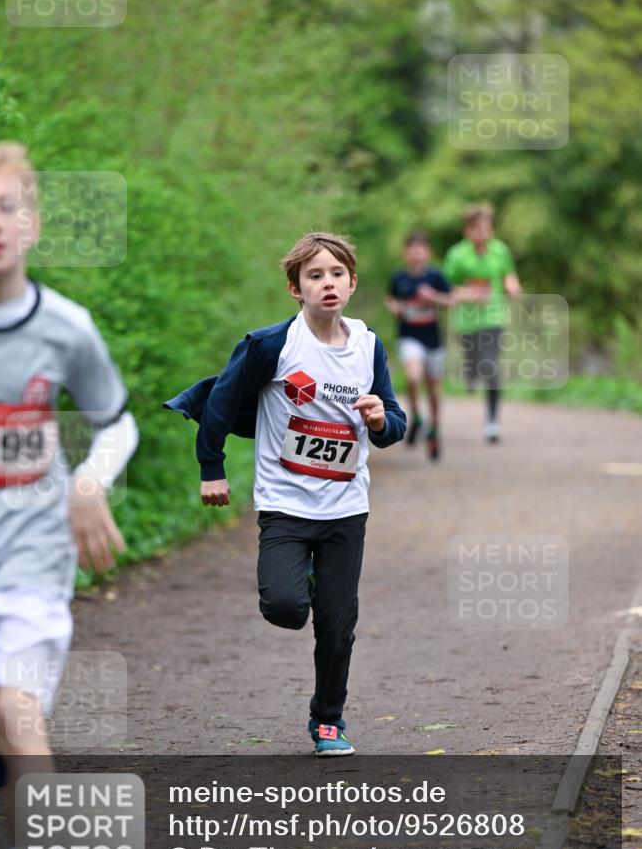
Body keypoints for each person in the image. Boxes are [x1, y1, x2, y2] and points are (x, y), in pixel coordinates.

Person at [0, 143, 138, 849]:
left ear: (31, 225)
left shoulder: (67, 328)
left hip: (34, 560)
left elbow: (117, 424)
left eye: (6, 208)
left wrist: (85, 484)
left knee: (21, 708)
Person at [164, 232, 406, 756]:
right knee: (285, 607)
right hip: (285, 504)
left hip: (347, 508)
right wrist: (212, 469)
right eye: (315, 276)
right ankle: (305, 577)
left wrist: (381, 418)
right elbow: (222, 402)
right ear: (295, 288)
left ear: (352, 282)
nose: (328, 284)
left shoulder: (368, 345)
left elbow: (395, 421)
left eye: (336, 274)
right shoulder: (272, 345)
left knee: (338, 624)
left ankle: (328, 721)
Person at [442, 204, 522, 442]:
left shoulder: (500, 251)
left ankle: (492, 421)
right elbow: (446, 288)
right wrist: (468, 294)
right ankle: (471, 372)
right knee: (475, 363)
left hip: (493, 317)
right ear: (467, 231)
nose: (482, 234)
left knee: (491, 366)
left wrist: (513, 286)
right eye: (476, 229)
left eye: (486, 229)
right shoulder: (457, 255)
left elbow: (508, 274)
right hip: (466, 322)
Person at [385, 230, 452, 460]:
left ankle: (434, 429)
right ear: (406, 253)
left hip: (432, 339)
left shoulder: (436, 277)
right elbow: (390, 298)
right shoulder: (399, 278)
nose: (417, 252)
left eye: (421, 248)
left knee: (433, 387)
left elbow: (450, 300)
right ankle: (416, 416)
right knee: (413, 377)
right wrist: (394, 307)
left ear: (428, 252)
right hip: (409, 337)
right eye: (412, 248)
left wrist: (433, 297)